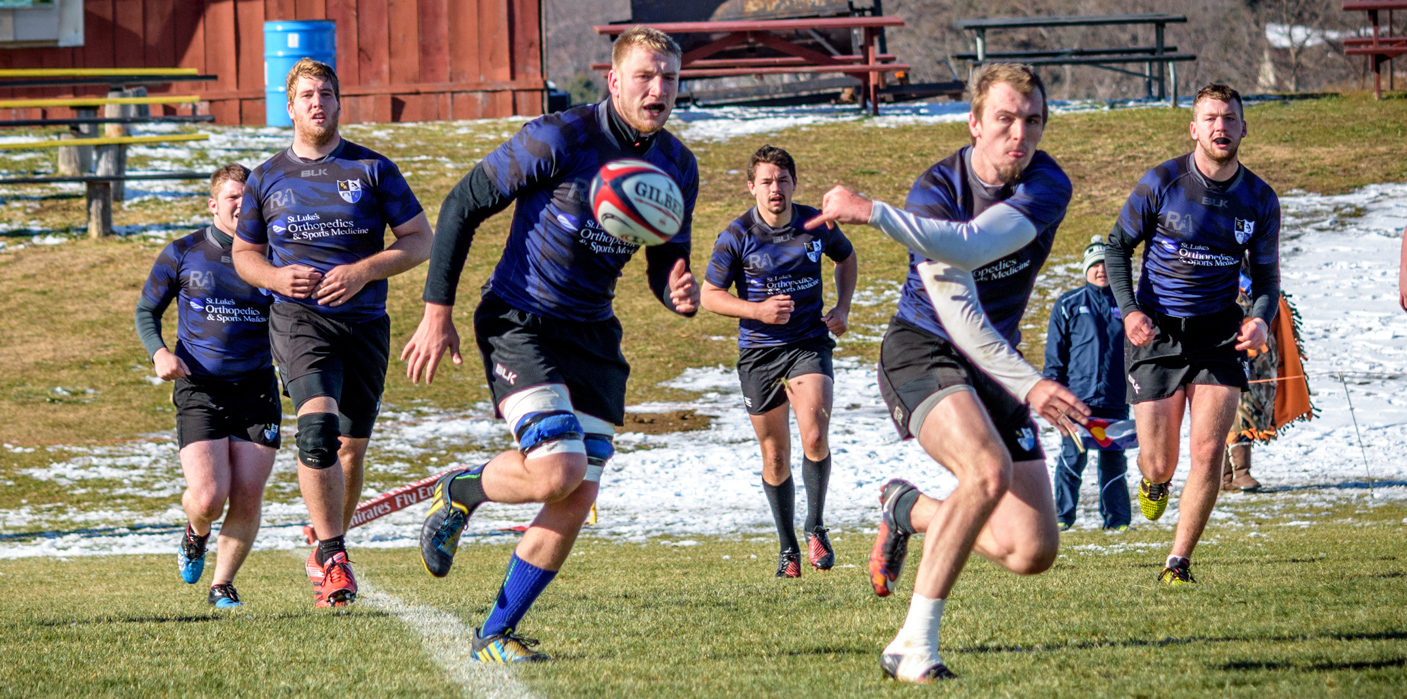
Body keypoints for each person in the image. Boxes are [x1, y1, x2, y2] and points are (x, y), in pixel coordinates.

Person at [399, 26, 699, 662]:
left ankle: (494, 635)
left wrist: (674, 287)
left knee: (578, 492)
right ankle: (463, 490)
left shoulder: (676, 166)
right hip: (520, 319)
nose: (658, 89)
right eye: (645, 75)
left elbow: (662, 262)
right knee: (557, 470)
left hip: (591, 333)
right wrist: (436, 312)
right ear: (613, 80)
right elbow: (462, 204)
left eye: (669, 77)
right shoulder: (560, 137)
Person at [806, 63, 1089, 682]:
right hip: (924, 351)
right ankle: (914, 645)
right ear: (975, 123)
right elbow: (959, 311)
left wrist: (871, 212)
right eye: (1006, 119)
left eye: (1033, 120)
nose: (1020, 133)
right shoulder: (934, 189)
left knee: (1031, 550)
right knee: (983, 471)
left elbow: (976, 243)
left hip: (997, 365)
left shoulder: (1047, 184)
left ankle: (909, 509)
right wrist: (1032, 384)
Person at [232, 58, 434, 607]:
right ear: (291, 107)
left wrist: (363, 270)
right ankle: (333, 556)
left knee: (349, 450)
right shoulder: (266, 177)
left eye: (327, 94)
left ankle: (325, 547)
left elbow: (420, 240)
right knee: (316, 431)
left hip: (366, 322)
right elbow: (244, 253)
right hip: (299, 320)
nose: (318, 103)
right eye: (307, 96)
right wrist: (274, 276)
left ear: (339, 103)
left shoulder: (374, 170)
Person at [1104, 83, 1281, 586]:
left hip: (1218, 336)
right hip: (1155, 332)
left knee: (1208, 451)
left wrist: (1260, 319)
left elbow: (1267, 280)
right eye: (1210, 118)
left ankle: (1177, 563)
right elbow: (1116, 246)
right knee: (1162, 462)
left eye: (1229, 118)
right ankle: (1153, 479)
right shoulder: (1162, 181)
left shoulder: (1260, 199)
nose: (1220, 127)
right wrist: (1129, 310)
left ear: (1243, 127)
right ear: (1194, 129)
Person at [700, 144, 857, 578]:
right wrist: (757, 310)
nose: (775, 188)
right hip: (759, 353)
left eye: (782, 179)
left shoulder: (815, 224)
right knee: (774, 456)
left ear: (793, 184)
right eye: (766, 181)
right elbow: (709, 295)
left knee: (814, 435)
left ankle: (816, 525)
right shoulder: (736, 235)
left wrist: (842, 308)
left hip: (809, 343)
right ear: (752, 186)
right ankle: (787, 549)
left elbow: (846, 257)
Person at [135, 164, 279, 608]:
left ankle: (223, 585)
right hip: (200, 390)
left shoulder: (273, 255)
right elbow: (146, 312)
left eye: (247, 197)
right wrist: (160, 353)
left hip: (257, 388)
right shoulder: (183, 252)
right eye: (232, 197)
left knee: (248, 495)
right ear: (214, 205)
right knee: (209, 497)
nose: (240, 204)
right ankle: (196, 532)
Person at [1042, 234, 1131, 531]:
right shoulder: (1068, 304)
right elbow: (1055, 357)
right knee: (1072, 457)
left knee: (1113, 462)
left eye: (1105, 264)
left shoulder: (1127, 305)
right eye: (1094, 265)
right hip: (1076, 401)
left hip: (1116, 398)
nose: (1101, 270)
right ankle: (1062, 516)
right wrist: (1053, 395)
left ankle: (1117, 521)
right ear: (1086, 269)